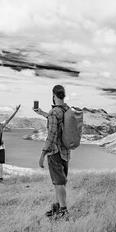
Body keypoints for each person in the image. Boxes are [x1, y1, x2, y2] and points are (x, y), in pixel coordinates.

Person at [35, 85, 70, 219]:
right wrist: (42, 113)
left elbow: (51, 135)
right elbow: (55, 120)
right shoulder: (67, 109)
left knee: (59, 182)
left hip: (55, 152)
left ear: (53, 95)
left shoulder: (54, 112)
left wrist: (43, 154)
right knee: (60, 181)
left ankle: (63, 210)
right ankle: (56, 207)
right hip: (66, 152)